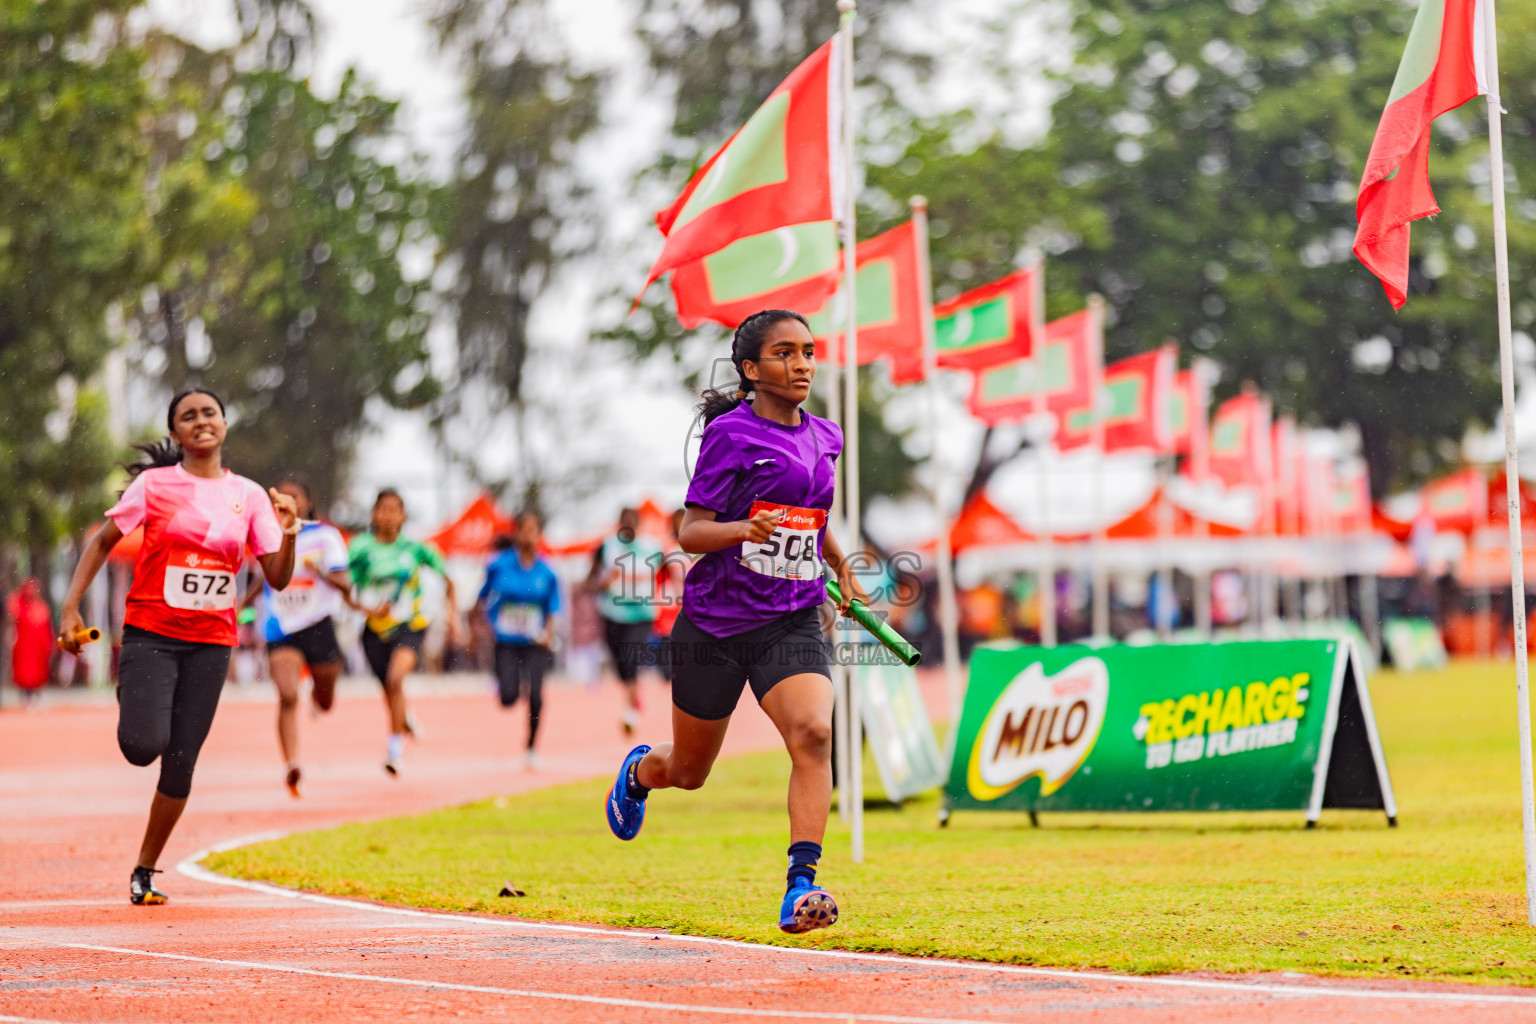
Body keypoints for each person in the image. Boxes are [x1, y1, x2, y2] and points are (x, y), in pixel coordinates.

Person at [604, 309, 867, 935]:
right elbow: (691, 532)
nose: (802, 364)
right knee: (690, 774)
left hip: (792, 619)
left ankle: (802, 883)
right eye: (785, 353)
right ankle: (642, 770)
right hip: (716, 627)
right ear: (751, 369)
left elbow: (814, 519)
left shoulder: (825, 435)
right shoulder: (731, 435)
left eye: (807, 351)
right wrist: (742, 529)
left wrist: (842, 572)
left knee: (813, 733)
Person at [57, 387, 298, 905]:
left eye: (209, 412)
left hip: (212, 643)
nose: (200, 421)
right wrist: (70, 608)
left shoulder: (251, 496)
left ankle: (144, 870)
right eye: (188, 416)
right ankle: (136, 699)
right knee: (143, 746)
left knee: (181, 761)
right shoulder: (155, 486)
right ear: (176, 433)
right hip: (152, 635)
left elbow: (276, 578)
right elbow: (102, 542)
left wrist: (290, 534)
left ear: (224, 424)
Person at [241, 474, 358, 797]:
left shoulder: (326, 537)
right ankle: (291, 763)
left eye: (293, 496)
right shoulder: (267, 537)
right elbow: (264, 578)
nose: (285, 502)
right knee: (288, 696)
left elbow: (346, 583)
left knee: (325, 700)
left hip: (318, 623)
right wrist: (240, 605)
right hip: (281, 626)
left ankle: (318, 698)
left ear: (306, 503)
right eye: (279, 497)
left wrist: (319, 572)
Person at [348, 488, 459, 776]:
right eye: (382, 508)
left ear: (403, 515)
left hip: (410, 626)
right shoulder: (361, 549)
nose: (387, 515)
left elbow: (449, 581)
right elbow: (346, 589)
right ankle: (404, 716)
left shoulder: (416, 549)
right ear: (374, 514)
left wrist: (453, 617)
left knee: (396, 680)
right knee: (388, 687)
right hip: (373, 629)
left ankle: (394, 751)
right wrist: (367, 608)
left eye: (394, 509)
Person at [474, 510, 560, 769]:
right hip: (506, 640)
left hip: (535, 642)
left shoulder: (547, 572)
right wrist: (479, 625)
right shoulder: (498, 564)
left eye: (534, 530)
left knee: (536, 695)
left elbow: (553, 609)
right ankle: (506, 685)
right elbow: (481, 597)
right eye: (524, 529)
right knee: (508, 699)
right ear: (516, 532)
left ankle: (532, 747)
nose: (529, 535)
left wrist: (548, 634)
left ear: (540, 535)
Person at [591, 507, 661, 734]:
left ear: (639, 526)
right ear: (619, 525)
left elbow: (672, 570)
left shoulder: (653, 547)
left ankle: (630, 712)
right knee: (619, 665)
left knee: (631, 662)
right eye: (624, 525)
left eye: (632, 525)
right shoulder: (607, 547)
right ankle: (634, 693)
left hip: (641, 614)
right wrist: (599, 584)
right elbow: (592, 577)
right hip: (612, 613)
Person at [8, 578, 53, 710]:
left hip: (37, 649)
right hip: (25, 648)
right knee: (25, 674)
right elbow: (13, 613)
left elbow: (46, 628)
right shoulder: (20, 605)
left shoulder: (41, 607)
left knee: (37, 674)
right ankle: (27, 696)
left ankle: (34, 696)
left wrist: (48, 644)